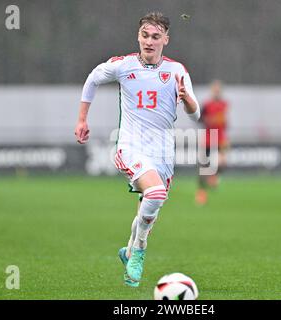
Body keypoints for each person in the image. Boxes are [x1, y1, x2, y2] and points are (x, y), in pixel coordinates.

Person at [74, 12, 200, 287]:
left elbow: (196, 113)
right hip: (131, 145)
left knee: (150, 205)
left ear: (165, 39)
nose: (149, 41)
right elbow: (93, 79)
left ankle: (129, 250)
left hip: (163, 152)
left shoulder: (177, 71)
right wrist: (83, 118)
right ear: (138, 36)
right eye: (145, 35)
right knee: (155, 193)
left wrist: (187, 98)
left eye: (156, 37)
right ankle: (139, 250)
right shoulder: (123, 65)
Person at [195, 80, 229, 205]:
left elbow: (225, 124)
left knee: (223, 163)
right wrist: (207, 120)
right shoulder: (207, 105)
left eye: (218, 90)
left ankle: (213, 176)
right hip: (209, 139)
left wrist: (226, 139)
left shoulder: (224, 105)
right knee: (203, 168)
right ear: (212, 91)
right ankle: (201, 193)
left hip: (220, 140)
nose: (217, 92)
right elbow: (199, 119)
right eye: (215, 90)